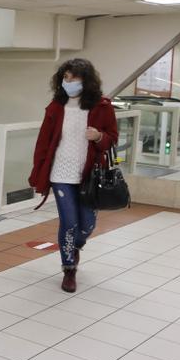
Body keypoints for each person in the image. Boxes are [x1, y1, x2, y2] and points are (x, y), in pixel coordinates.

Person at [29, 58, 118, 293]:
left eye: (74, 77)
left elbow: (113, 137)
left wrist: (99, 137)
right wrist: (38, 172)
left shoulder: (102, 107)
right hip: (60, 172)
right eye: (65, 77)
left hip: (89, 175)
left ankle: (76, 246)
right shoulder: (56, 106)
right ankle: (69, 268)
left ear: (86, 80)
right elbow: (43, 143)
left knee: (87, 224)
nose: (69, 82)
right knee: (69, 222)